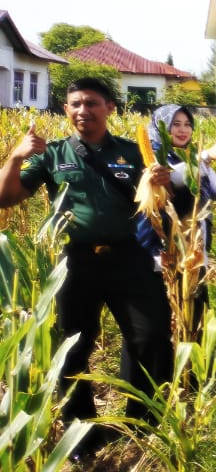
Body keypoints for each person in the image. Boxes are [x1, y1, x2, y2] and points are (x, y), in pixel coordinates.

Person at [0, 77, 173, 460]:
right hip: (75, 263)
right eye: (75, 103)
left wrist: (162, 183)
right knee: (72, 347)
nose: (83, 110)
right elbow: (5, 198)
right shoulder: (52, 154)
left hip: (131, 257)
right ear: (66, 110)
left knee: (151, 337)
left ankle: (139, 423)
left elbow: (159, 203)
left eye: (92, 103)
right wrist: (15, 156)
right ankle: (80, 435)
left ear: (110, 107)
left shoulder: (132, 152)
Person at [133, 104, 216, 334]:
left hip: (195, 248)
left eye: (187, 124)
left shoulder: (190, 154)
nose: (183, 130)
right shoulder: (152, 156)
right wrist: (207, 155)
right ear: (161, 127)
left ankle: (192, 363)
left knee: (194, 312)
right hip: (164, 250)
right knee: (167, 316)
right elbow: (169, 179)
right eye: (175, 124)